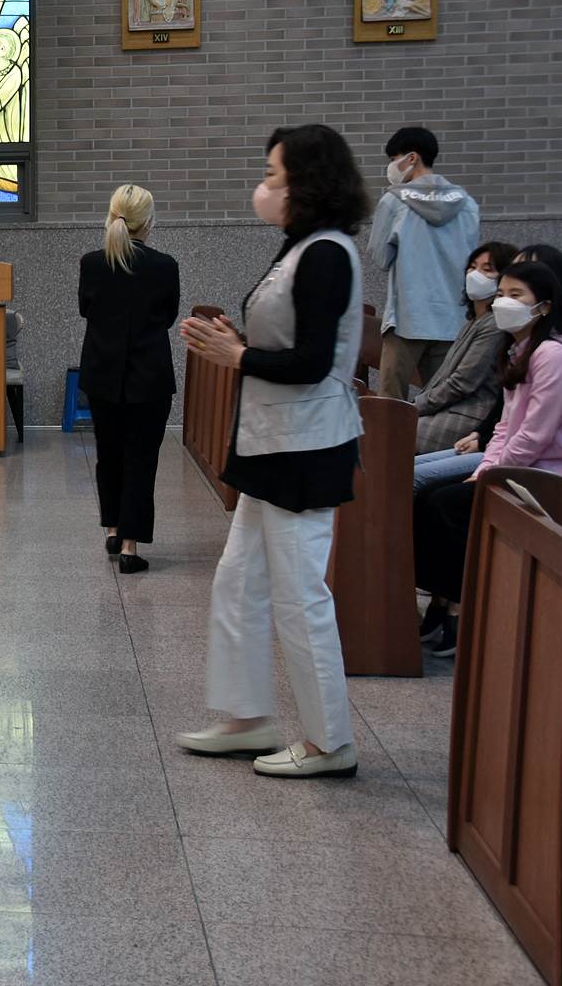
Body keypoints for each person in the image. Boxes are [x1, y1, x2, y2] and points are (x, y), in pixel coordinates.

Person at [177, 124, 367, 778]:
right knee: (238, 581)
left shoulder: (328, 254)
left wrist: (238, 355)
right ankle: (246, 717)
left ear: (306, 184)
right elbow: (285, 339)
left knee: (299, 595)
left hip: (306, 448)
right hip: (273, 445)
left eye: (273, 176)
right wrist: (236, 341)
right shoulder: (301, 247)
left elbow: (313, 362)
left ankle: (329, 741)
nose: (264, 187)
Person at [414, 261, 562, 655]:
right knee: (428, 498)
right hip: (528, 471)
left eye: (516, 295)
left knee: (447, 503)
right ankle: (442, 600)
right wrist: (486, 470)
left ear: (544, 306)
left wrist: (489, 475)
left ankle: (461, 608)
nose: (504, 302)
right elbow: (505, 427)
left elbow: (535, 435)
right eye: (501, 293)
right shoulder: (520, 350)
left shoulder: (555, 354)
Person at [77, 185, 180, 575]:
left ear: (111, 216)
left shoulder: (92, 263)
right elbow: (168, 316)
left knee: (109, 454)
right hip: (149, 377)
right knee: (141, 459)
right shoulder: (165, 266)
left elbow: (86, 308)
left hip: (103, 374)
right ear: (148, 222)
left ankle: (112, 528)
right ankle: (130, 547)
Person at [370, 127, 481, 400]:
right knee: (442, 402)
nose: (391, 167)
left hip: (407, 318)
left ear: (411, 158)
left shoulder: (393, 201)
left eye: (394, 159)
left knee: (390, 405)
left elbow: (380, 258)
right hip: (453, 319)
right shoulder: (467, 204)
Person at [413, 240, 517, 455]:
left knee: (390, 432)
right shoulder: (475, 320)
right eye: (472, 267)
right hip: (448, 408)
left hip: (469, 414)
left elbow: (461, 383)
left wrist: (415, 406)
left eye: (487, 269)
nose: (475, 274)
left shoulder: (495, 324)